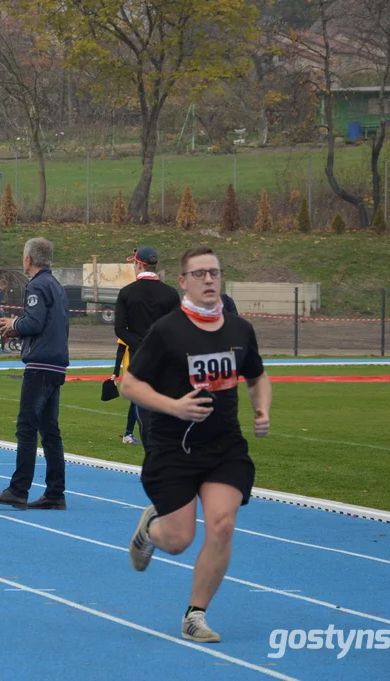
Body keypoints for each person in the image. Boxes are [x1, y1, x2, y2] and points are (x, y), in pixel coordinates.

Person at [120, 246, 271, 643]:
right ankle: (150, 530)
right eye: (199, 273)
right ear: (183, 282)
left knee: (222, 524)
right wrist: (174, 406)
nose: (208, 280)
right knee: (179, 540)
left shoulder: (239, 329)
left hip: (224, 446)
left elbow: (257, 375)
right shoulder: (168, 331)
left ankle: (195, 614)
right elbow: (129, 385)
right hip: (173, 447)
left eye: (214, 273)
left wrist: (262, 410)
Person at [0, 237, 70, 510]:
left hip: (40, 364)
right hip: (56, 362)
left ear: (29, 259)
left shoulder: (37, 284)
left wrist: (14, 323)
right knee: (50, 430)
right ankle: (55, 493)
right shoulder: (56, 285)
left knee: (27, 427)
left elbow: (34, 321)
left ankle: (19, 489)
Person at [114, 246, 181, 445]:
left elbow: (120, 329)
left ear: (139, 264)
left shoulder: (127, 293)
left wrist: (141, 345)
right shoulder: (170, 294)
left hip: (140, 362)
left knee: (144, 414)